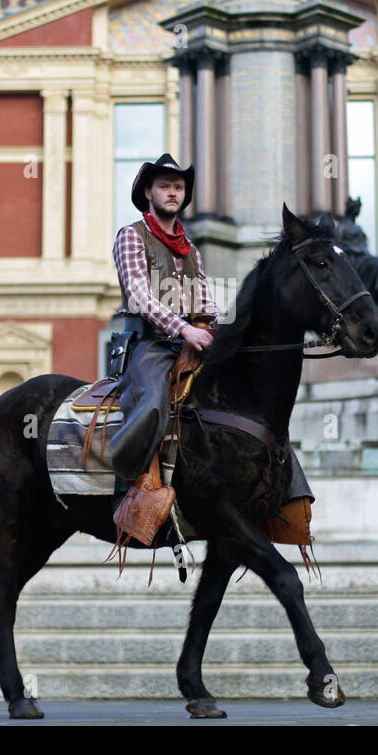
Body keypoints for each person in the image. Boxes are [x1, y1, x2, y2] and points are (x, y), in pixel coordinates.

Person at [108, 153, 314, 542]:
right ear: (148, 192)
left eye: (178, 187)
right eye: (165, 186)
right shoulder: (131, 235)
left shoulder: (190, 247)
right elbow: (137, 294)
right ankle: (133, 491)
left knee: (253, 402)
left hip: (190, 342)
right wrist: (184, 329)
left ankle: (284, 499)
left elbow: (206, 299)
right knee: (153, 402)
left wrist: (225, 330)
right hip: (149, 345)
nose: (172, 192)